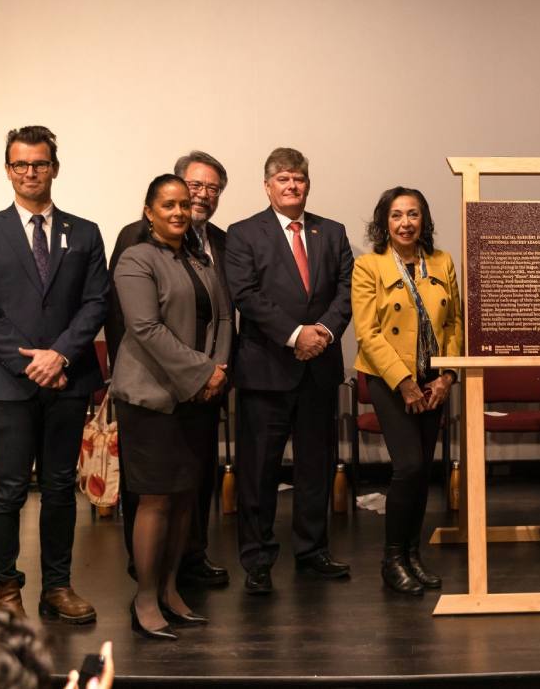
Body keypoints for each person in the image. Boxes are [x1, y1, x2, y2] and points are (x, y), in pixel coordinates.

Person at [0, 126, 109, 623]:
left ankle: (58, 587)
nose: (30, 173)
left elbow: (95, 302)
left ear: (54, 169)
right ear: (7, 170)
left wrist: (60, 356)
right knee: (7, 490)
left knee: (62, 487)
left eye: (39, 164)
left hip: (68, 379)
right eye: (20, 164)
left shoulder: (83, 232)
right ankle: (5, 588)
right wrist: (31, 362)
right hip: (8, 382)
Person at [225, 147, 354, 594]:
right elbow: (245, 294)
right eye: (282, 178)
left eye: (298, 178)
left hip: (319, 367)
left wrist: (321, 332)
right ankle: (258, 561)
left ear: (308, 184)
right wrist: (295, 334)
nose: (291, 185)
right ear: (267, 186)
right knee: (258, 471)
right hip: (266, 370)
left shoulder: (332, 232)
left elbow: (345, 291)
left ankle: (312, 550)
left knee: (316, 466)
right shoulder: (243, 234)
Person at [110, 174, 231, 639]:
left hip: (199, 397)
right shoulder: (136, 259)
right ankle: (144, 595)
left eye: (184, 205)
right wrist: (203, 372)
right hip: (153, 398)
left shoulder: (200, 259)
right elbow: (145, 328)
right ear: (149, 212)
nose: (179, 212)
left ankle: (171, 588)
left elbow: (222, 315)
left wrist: (216, 370)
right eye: (168, 205)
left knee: (185, 500)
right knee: (156, 499)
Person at [352, 187, 462, 595]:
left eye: (413, 214)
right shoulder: (369, 266)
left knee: (421, 474)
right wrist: (404, 382)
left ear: (424, 220)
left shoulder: (442, 261)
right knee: (409, 467)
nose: (405, 223)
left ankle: (413, 556)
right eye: (396, 215)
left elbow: (454, 324)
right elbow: (368, 332)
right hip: (389, 379)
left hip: (433, 382)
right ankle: (392, 559)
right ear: (384, 223)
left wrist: (447, 376)